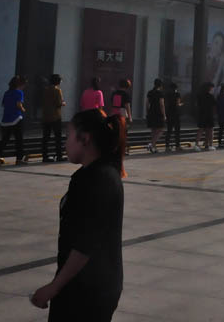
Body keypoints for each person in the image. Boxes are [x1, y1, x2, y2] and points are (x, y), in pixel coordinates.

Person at [30, 108, 124, 320]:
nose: (65, 143)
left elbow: (84, 245)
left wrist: (53, 287)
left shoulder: (97, 179)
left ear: (85, 139)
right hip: (91, 284)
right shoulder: (95, 174)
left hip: (87, 290)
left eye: (68, 136)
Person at [0, 75, 27, 165]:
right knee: (19, 140)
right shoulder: (19, 92)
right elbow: (19, 105)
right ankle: (19, 159)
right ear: (20, 84)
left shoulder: (7, 93)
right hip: (16, 119)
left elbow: (3, 104)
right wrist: (23, 109)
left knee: (4, 141)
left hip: (5, 120)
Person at [42, 74, 66, 163]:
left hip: (46, 116)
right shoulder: (57, 90)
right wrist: (63, 103)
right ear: (58, 81)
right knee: (58, 137)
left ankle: (45, 156)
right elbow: (58, 103)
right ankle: (59, 156)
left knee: (46, 138)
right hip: (56, 116)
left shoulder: (45, 90)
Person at [109, 80, 132, 156]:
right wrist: (130, 117)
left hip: (114, 112)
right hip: (122, 113)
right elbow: (127, 106)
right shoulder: (125, 94)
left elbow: (112, 103)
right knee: (124, 132)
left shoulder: (114, 93)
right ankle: (123, 149)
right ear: (127, 86)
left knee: (115, 131)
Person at [145, 79, 166, 153]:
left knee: (153, 130)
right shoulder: (160, 93)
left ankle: (153, 146)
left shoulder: (150, 92)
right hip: (158, 113)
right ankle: (152, 144)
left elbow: (147, 103)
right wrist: (164, 115)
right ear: (160, 85)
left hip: (151, 112)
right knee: (161, 129)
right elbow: (162, 105)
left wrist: (147, 112)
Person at [195, 82, 217, 151]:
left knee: (200, 130)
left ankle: (197, 145)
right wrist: (214, 114)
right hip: (209, 114)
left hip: (201, 114)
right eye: (212, 88)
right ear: (209, 88)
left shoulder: (199, 95)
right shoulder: (211, 96)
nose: (212, 89)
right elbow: (214, 106)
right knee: (210, 130)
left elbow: (197, 105)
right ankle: (210, 145)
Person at [164, 82, 183, 152]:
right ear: (176, 88)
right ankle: (177, 146)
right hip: (176, 114)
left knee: (169, 131)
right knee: (177, 131)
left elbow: (166, 104)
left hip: (169, 114)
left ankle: (167, 147)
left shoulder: (167, 94)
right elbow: (178, 104)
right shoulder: (177, 94)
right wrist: (181, 104)